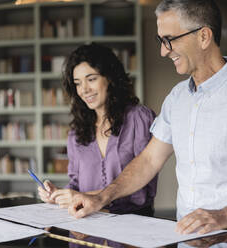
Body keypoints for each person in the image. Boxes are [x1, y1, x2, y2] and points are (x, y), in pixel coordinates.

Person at [67, 0, 227, 236]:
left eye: (169, 39)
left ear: (203, 36)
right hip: (187, 238)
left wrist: (225, 216)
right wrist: (101, 197)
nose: (163, 51)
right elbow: (149, 160)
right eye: (161, 41)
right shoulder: (177, 97)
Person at [38, 43, 157, 218]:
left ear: (110, 78)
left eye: (91, 79)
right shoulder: (76, 132)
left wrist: (87, 197)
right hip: (86, 226)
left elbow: (143, 191)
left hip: (133, 226)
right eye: (78, 83)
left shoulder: (139, 118)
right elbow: (76, 184)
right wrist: (60, 195)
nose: (84, 90)